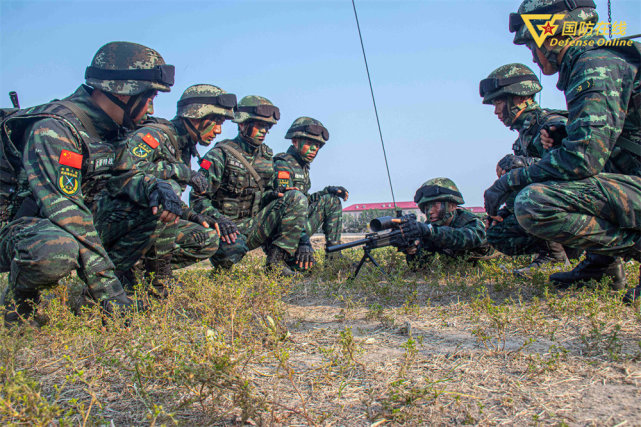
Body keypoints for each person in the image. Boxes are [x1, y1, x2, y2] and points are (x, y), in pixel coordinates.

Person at [0, 41, 182, 324]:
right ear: (123, 93)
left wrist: (155, 187)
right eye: (149, 96)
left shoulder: (114, 128)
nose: (151, 107)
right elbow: (68, 215)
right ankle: (17, 307)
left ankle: (87, 297)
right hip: (25, 230)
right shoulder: (55, 129)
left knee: (151, 207)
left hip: (78, 221)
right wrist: (112, 296)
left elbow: (124, 178)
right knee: (55, 248)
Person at [485, 0, 640, 297]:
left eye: (533, 45)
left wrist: (510, 180)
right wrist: (567, 135)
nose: (534, 56)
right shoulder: (599, 60)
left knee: (535, 203)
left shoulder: (594, 65)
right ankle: (600, 266)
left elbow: (582, 161)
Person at [104, 84, 237, 291]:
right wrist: (183, 172)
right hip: (112, 220)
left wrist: (193, 216)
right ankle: (128, 275)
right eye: (216, 121)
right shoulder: (155, 135)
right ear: (195, 115)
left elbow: (170, 199)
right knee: (168, 188)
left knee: (207, 238)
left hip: (141, 219)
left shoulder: (184, 146)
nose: (218, 131)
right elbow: (122, 172)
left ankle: (140, 271)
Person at [190, 96, 309, 274]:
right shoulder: (220, 154)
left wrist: (275, 194)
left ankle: (277, 262)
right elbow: (197, 199)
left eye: (267, 127)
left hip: (254, 225)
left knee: (295, 198)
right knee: (232, 251)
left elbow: (265, 194)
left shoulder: (267, 157)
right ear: (242, 124)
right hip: (227, 230)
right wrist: (218, 219)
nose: (264, 131)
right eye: (259, 126)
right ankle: (222, 268)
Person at [480, 63, 573, 275]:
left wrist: (521, 166)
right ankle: (568, 249)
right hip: (558, 206)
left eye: (499, 102)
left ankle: (555, 257)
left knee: (528, 191)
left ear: (520, 98)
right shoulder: (524, 135)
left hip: (578, 202)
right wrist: (503, 212)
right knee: (498, 233)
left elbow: (572, 166)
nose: (496, 111)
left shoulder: (552, 124)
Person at [273, 117, 348, 262]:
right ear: (295, 141)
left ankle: (334, 258)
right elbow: (286, 205)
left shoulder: (301, 165)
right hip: (282, 231)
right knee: (301, 269)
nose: (314, 149)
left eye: (317, 145)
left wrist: (328, 191)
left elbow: (304, 201)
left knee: (331, 201)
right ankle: (284, 256)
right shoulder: (283, 164)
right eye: (309, 144)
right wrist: (304, 241)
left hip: (297, 227)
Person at [400, 178, 489, 266]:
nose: (430, 211)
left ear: (452, 206)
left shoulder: (471, 222)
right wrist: (413, 250)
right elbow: (419, 267)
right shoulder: (428, 228)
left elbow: (468, 238)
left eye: (435, 205)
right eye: (426, 207)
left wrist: (430, 231)